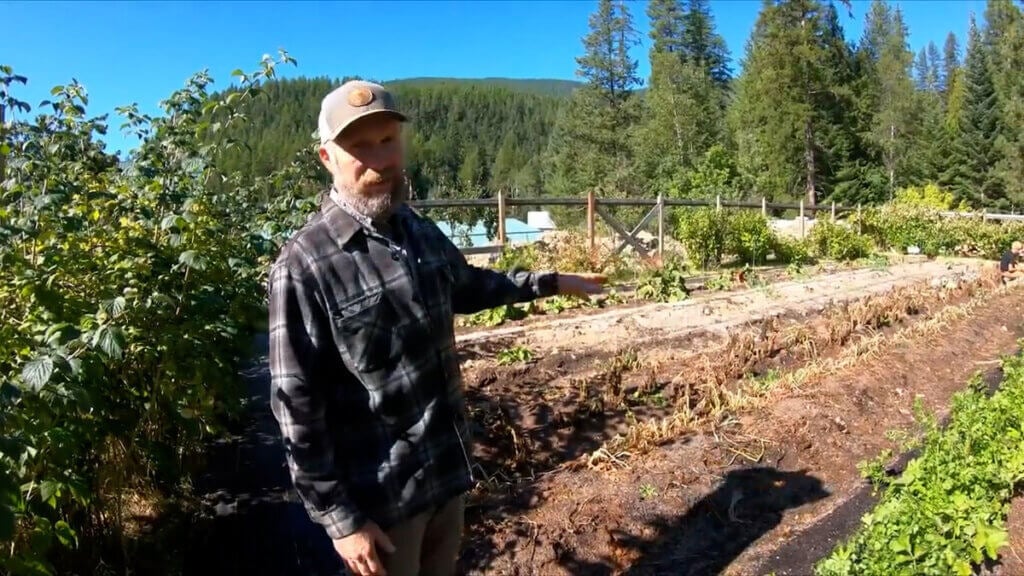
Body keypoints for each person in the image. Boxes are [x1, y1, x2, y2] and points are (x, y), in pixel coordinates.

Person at [266, 79, 607, 576]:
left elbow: (471, 286)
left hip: (446, 477)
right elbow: (295, 407)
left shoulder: (418, 231)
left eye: (388, 142)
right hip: (382, 504)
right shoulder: (305, 266)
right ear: (326, 158)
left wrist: (553, 282)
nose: (380, 160)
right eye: (359, 146)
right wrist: (341, 521)